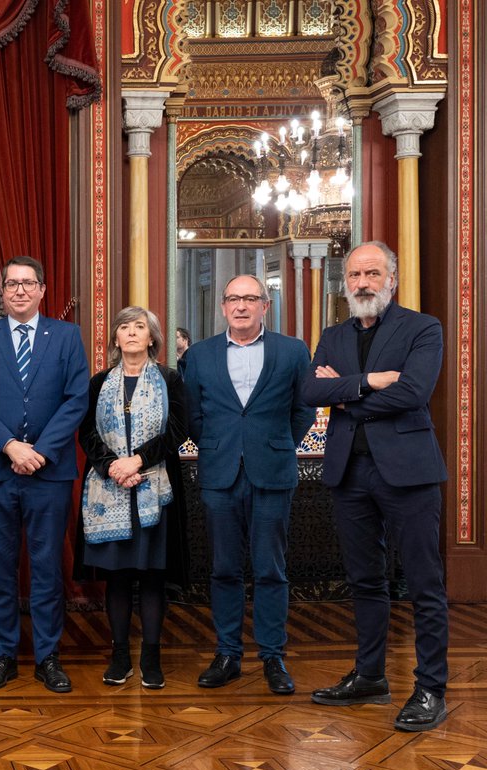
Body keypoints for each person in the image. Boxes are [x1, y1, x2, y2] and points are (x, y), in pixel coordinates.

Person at [303, 241, 450, 732]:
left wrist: (345, 393)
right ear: (345, 283)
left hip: (409, 473)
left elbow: (414, 392)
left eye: (372, 273)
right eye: (355, 275)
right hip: (350, 474)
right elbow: (311, 391)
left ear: (393, 278)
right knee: (365, 582)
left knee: (424, 584)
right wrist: (370, 382)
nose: (362, 282)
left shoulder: (423, 328)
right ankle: (370, 677)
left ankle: (430, 687)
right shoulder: (333, 333)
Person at [181, 274, 313, 695]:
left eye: (250, 298)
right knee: (223, 568)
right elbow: (193, 416)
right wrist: (219, 447)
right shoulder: (199, 356)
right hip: (220, 474)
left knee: (271, 569)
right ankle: (228, 655)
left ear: (265, 306)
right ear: (223, 307)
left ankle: (273, 658)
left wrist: (275, 446)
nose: (241, 305)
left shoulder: (292, 351)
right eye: (233, 298)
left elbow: (303, 409)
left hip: (272, 472)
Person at [0, 256, 90, 693]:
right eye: (11, 284)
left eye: (27, 283)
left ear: (41, 290)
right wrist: (10, 446)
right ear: (3, 290)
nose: (19, 290)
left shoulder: (68, 336)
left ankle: (47, 656)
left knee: (46, 568)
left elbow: (76, 399)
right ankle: (2, 655)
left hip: (49, 473)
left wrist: (40, 451)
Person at [79, 306, 188, 690]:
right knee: (119, 578)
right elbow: (87, 434)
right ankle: (120, 654)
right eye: (123, 327)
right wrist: (113, 466)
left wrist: (138, 461)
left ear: (152, 338)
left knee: (153, 578)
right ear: (115, 338)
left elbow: (178, 429)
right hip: (109, 491)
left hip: (155, 491)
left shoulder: (170, 381)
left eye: (139, 327)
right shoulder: (98, 383)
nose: (130, 333)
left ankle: (152, 658)